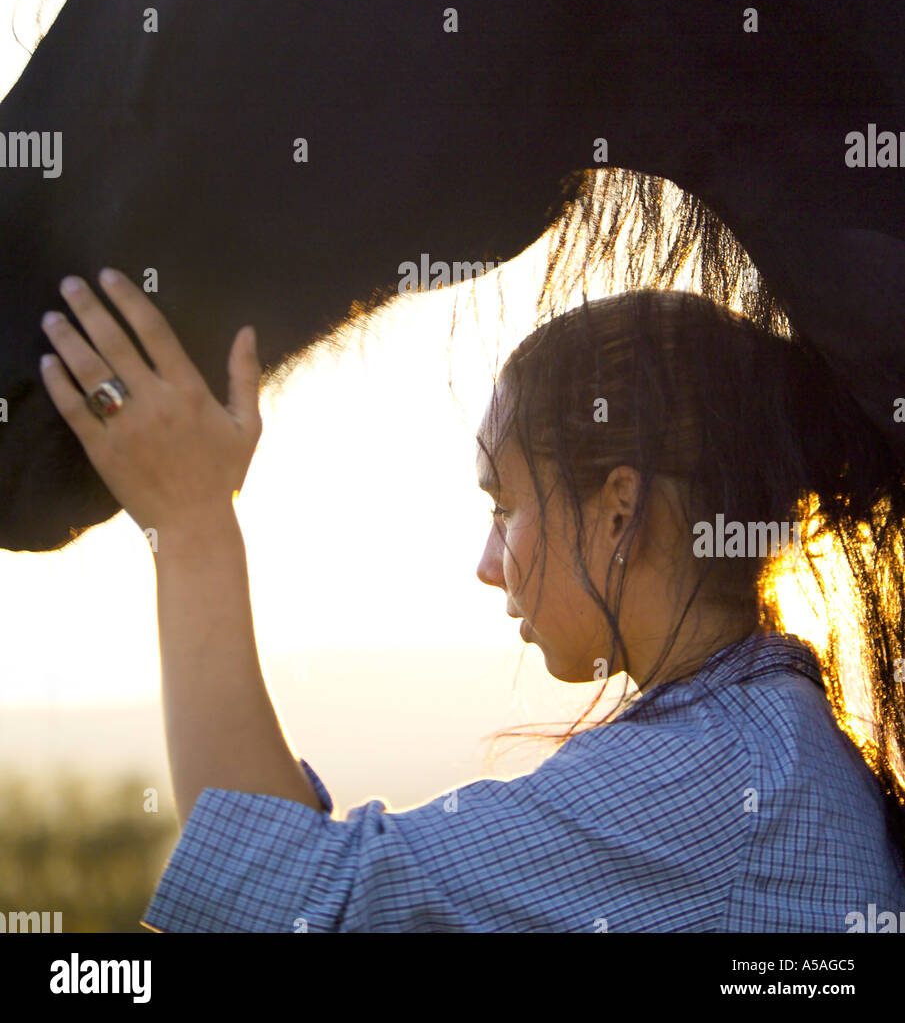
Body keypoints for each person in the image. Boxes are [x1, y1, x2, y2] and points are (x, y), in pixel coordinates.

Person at [40, 269, 905, 932]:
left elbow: (290, 901)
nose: (488, 563)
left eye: (505, 507)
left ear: (618, 510)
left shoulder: (715, 776)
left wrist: (191, 526)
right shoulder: (765, 746)